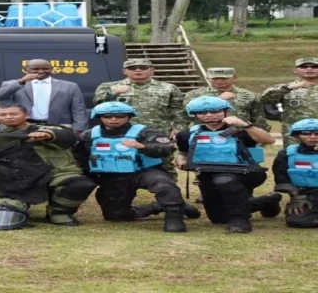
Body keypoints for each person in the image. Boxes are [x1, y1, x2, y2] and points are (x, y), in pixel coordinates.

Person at [0, 104, 95, 229]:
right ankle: (10, 204)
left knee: (79, 184)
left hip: (50, 174)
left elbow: (69, 137)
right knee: (1, 212)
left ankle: (59, 212)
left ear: (26, 115)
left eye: (13, 114)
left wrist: (48, 135)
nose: (8, 117)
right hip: (6, 180)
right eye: (3, 115)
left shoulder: (45, 130)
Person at [76, 102, 194, 232]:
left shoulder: (144, 132)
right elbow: (80, 158)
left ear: (129, 117)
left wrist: (143, 147)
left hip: (144, 171)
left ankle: (174, 217)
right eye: (108, 116)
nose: (113, 119)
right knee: (116, 216)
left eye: (119, 116)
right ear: (99, 117)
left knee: (164, 184)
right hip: (112, 176)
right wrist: (92, 176)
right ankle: (158, 207)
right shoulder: (88, 136)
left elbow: (166, 148)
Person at [176, 96, 281, 233]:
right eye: (203, 112)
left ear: (227, 112)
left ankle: (240, 220)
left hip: (246, 173)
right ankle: (267, 201)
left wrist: (246, 125)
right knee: (219, 218)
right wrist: (181, 160)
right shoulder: (188, 134)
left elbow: (269, 140)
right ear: (195, 115)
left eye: (215, 111)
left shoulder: (241, 131)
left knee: (225, 180)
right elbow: (183, 153)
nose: (209, 115)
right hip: (208, 174)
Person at [93, 59, 184, 135]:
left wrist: (178, 128)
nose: (138, 70)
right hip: (120, 133)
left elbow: (178, 110)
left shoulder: (169, 88)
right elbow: (98, 105)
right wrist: (115, 93)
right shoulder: (108, 86)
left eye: (143, 67)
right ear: (124, 71)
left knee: (159, 155)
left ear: (152, 70)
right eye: (132, 68)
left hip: (158, 132)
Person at [0, 59, 89, 131]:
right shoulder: (13, 84)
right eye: (35, 69)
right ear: (26, 70)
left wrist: (79, 129)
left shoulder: (70, 86)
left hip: (59, 127)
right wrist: (21, 81)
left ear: (51, 69)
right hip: (24, 126)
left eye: (45, 68)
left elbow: (79, 109)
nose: (40, 71)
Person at [183, 67, 268, 130]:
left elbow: (259, 118)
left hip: (242, 135)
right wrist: (218, 100)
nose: (219, 80)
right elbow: (187, 115)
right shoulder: (194, 95)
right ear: (208, 78)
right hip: (205, 135)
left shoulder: (250, 95)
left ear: (234, 78)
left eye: (224, 78)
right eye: (215, 78)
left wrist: (260, 136)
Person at [260, 57, 318, 145]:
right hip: (294, 134)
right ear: (295, 70)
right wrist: (289, 88)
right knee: (294, 157)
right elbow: (263, 100)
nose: (309, 69)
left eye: (314, 66)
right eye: (303, 66)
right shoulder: (286, 88)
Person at [274, 119, 318, 228]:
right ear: (297, 135)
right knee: (296, 221)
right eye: (306, 133)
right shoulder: (286, 154)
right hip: (306, 195)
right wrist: (296, 196)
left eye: (317, 133)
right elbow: (282, 179)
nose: (313, 137)